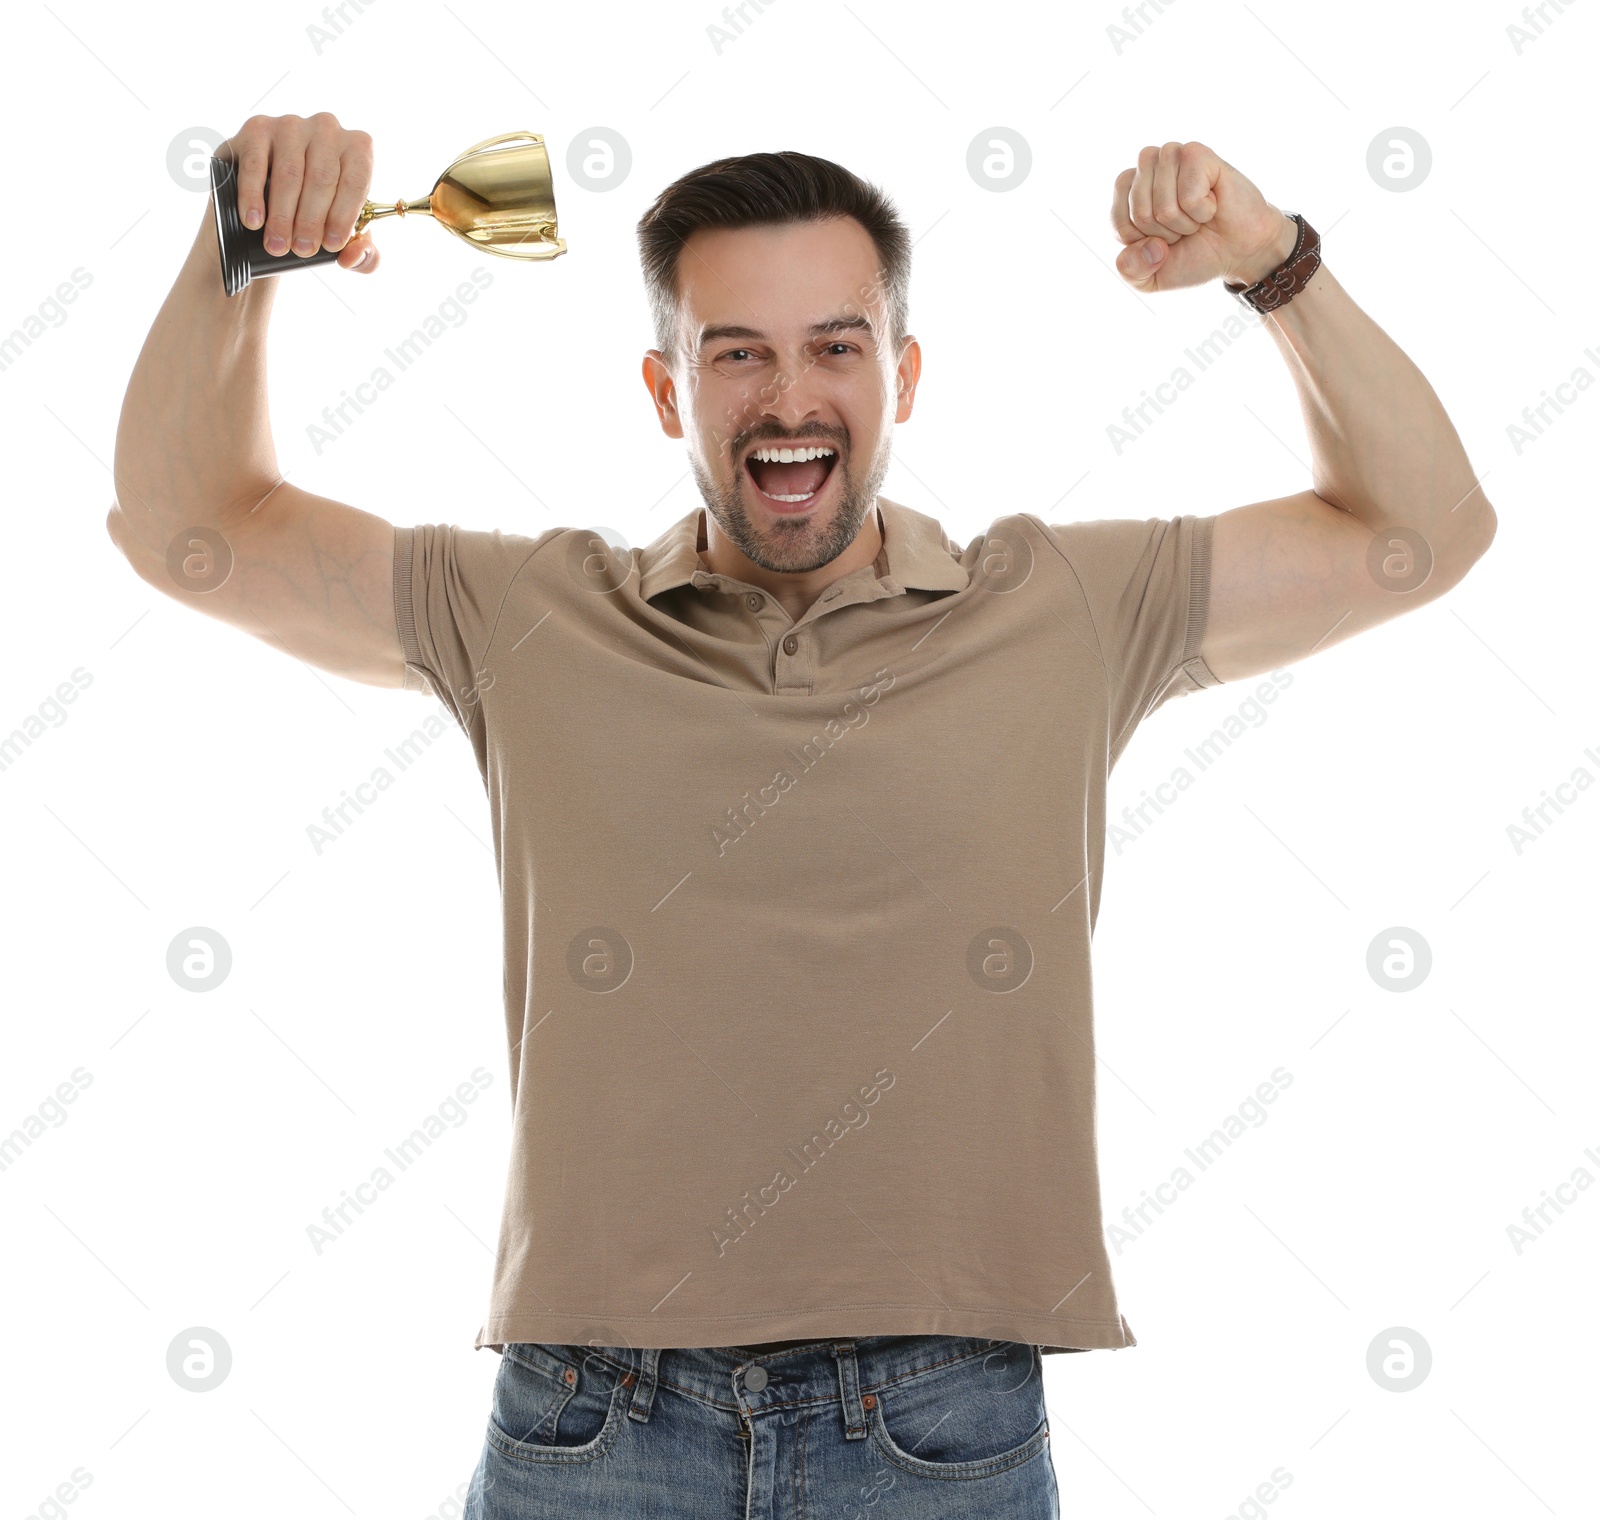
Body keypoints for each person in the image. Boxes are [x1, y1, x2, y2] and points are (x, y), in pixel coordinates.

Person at [110, 112, 1495, 1519]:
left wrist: (1271, 264)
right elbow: (185, 522)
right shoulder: (524, 615)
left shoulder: (1069, 608)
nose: (790, 398)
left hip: (940, 1425)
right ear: (666, 391)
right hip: (594, 1422)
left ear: (901, 378)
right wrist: (236, 253)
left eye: (836, 346)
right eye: (738, 353)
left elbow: (1427, 530)